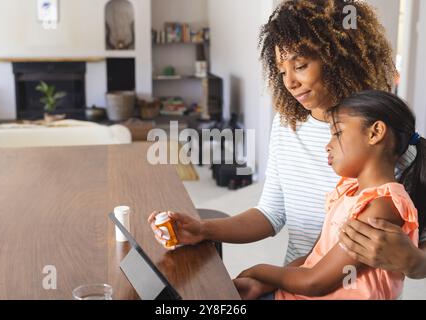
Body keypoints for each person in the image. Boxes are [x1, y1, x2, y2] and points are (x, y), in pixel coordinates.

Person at [148, 0, 426, 293]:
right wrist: (201, 229)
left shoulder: (385, 140)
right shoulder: (287, 124)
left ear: (337, 58)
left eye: (301, 65)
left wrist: (414, 261)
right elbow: (270, 214)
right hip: (294, 284)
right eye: (281, 71)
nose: (290, 82)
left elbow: (416, 249)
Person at [234, 90, 424, 299]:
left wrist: (259, 271)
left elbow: (314, 282)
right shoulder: (348, 192)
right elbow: (312, 260)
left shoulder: (382, 206)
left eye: (338, 133)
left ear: (375, 132)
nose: (327, 145)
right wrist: (266, 284)